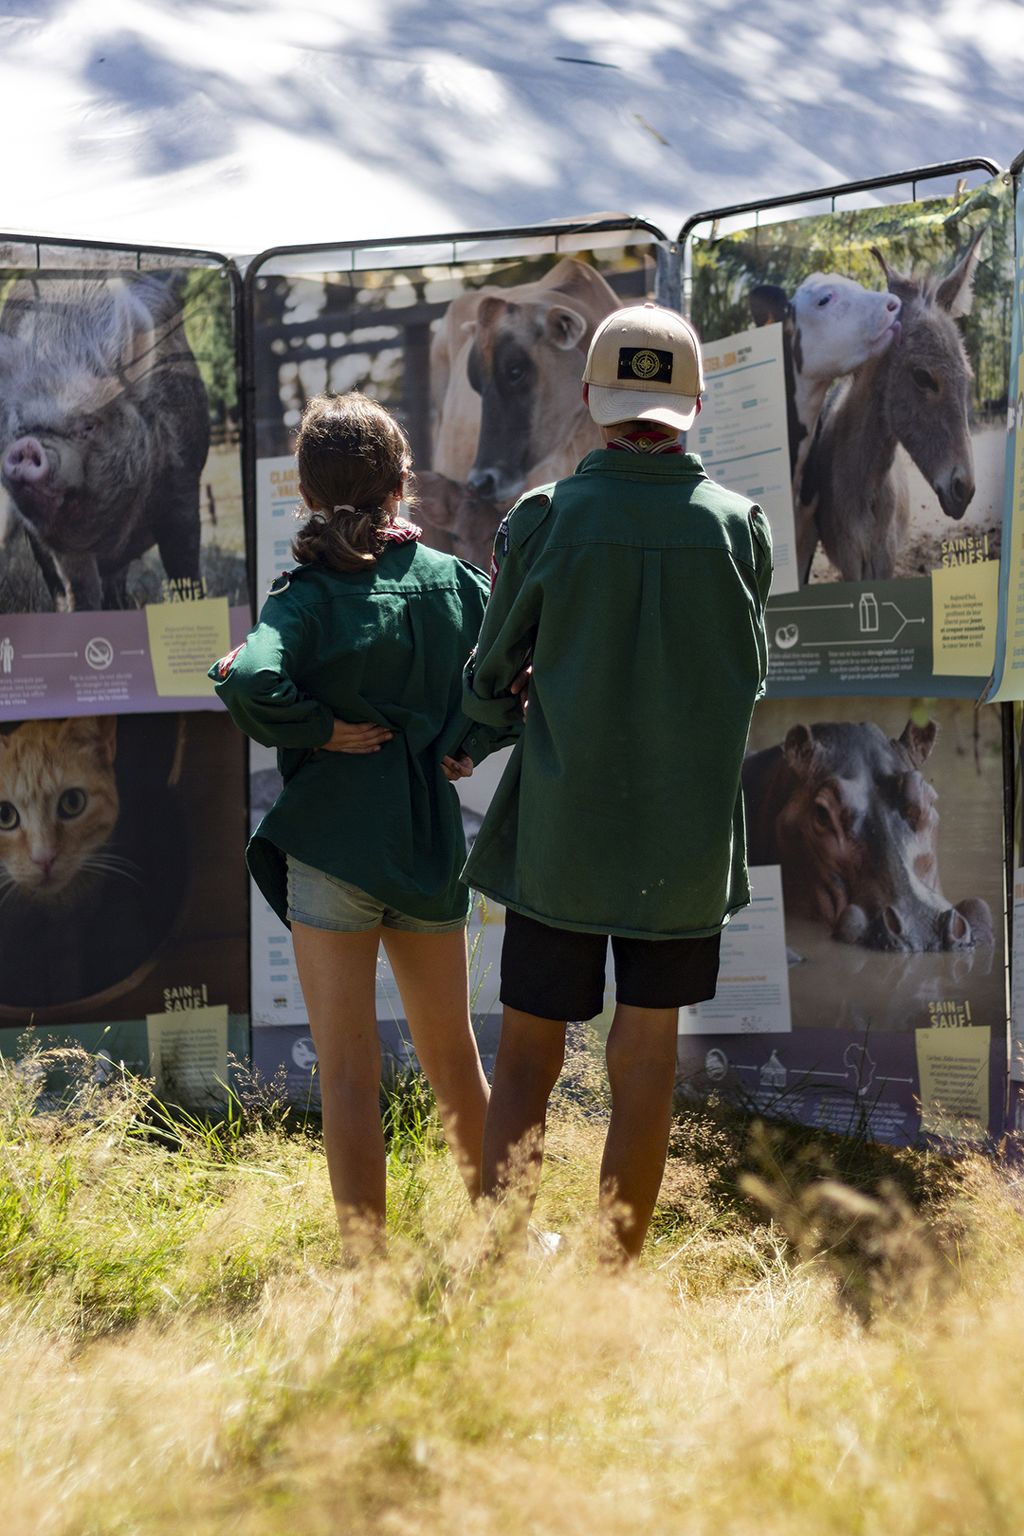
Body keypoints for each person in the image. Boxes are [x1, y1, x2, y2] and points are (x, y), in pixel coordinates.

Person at [456, 303, 773, 1262]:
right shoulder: (740, 528)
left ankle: (501, 1261)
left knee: (528, 1053)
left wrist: (484, 723)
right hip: (683, 844)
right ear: (696, 406)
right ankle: (611, 1278)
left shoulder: (546, 519)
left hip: (563, 834)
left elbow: (491, 673)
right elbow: (749, 675)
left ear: (589, 400)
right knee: (646, 1057)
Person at [210, 392, 513, 1256]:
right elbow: (514, 672)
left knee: (346, 1071)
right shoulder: (454, 581)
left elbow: (247, 679)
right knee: (455, 1058)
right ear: (402, 485)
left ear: (306, 493)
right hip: (425, 849)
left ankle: (366, 1265)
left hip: (330, 852)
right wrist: (467, 745)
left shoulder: (303, 597)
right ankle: (506, 1242)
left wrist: (320, 730)